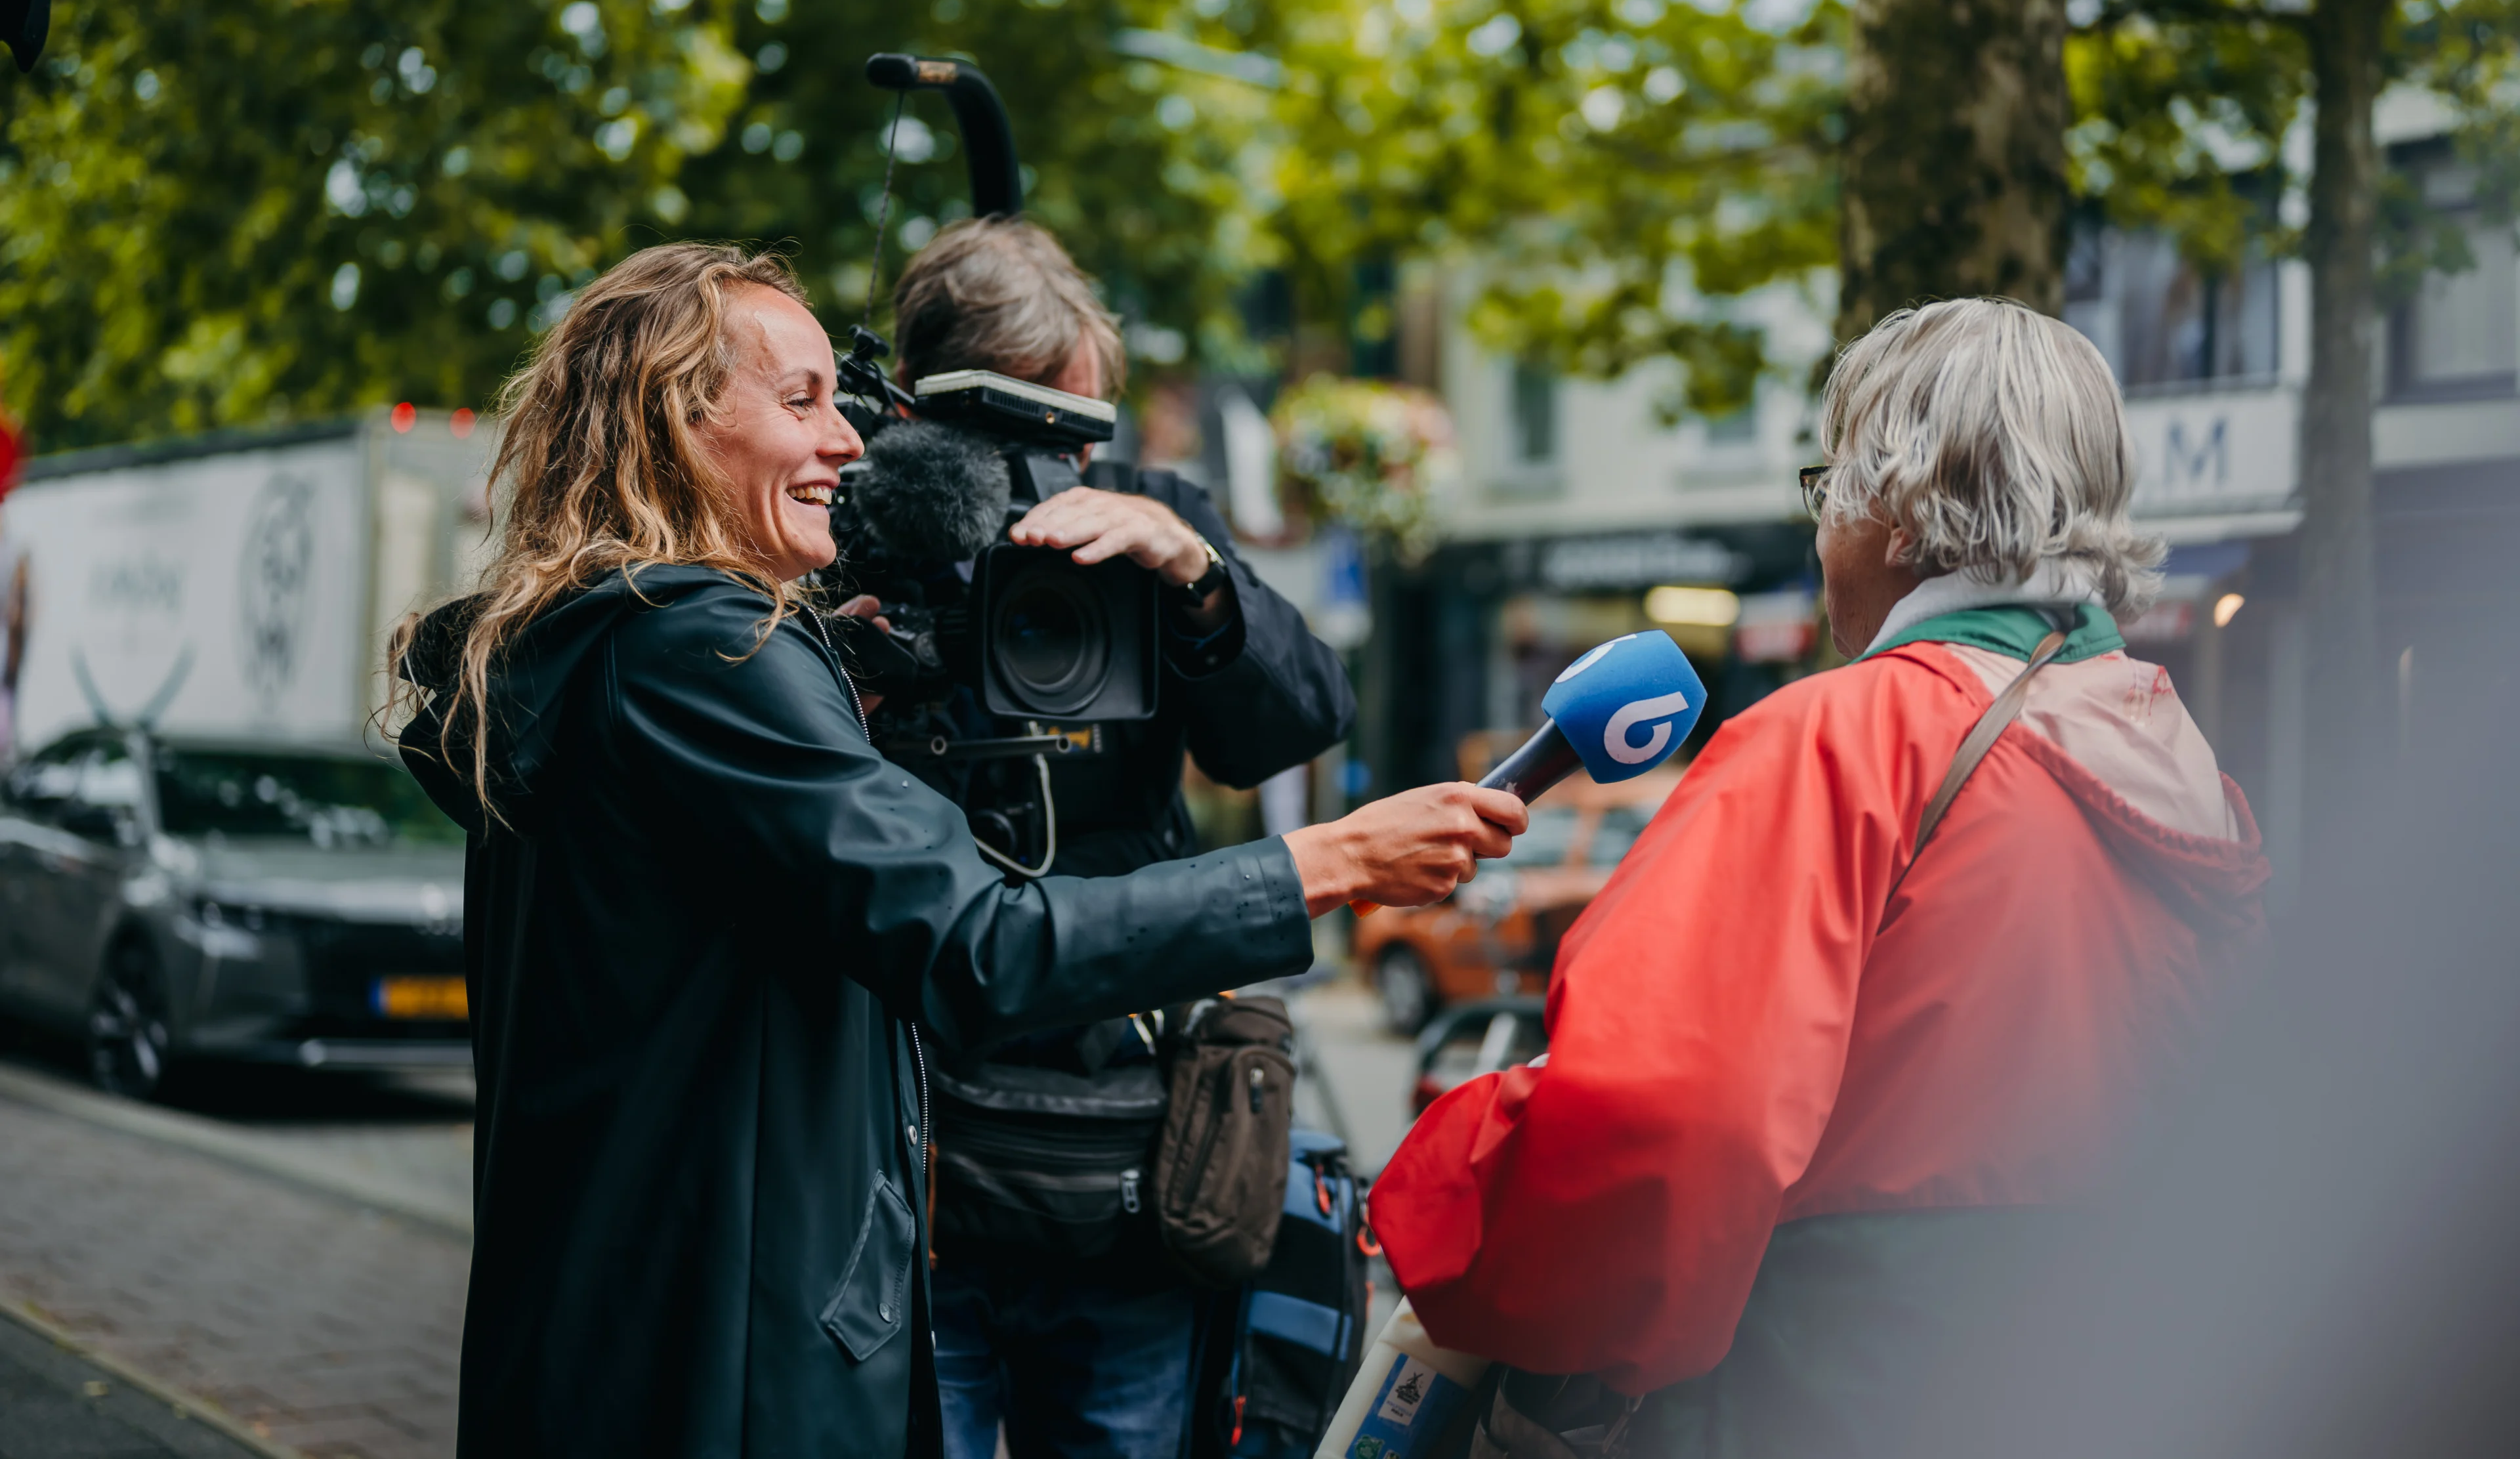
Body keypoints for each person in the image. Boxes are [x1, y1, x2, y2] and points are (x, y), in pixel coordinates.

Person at [388, 242, 1526, 1459]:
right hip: (722, 1359)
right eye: (802, 401)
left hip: (633, 1329)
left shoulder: (598, 641)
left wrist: (839, 709)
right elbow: (981, 941)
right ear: (675, 419)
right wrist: (1328, 862)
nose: (848, 445)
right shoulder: (703, 647)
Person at [1369, 298, 2271, 1457]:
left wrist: (1453, 1197)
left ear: (1895, 510)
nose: (1821, 531)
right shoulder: (2189, 767)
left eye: (1828, 485)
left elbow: (1657, 1117)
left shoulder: (1840, 738)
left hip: (1833, 1382)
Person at [861, 217, 1353, 1459]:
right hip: (918, 1149)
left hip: (1133, 1155)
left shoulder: (1152, 515)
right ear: (926, 409)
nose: (1053, 473)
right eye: (1023, 434)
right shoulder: (875, 515)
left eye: (1084, 435)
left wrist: (1194, 575)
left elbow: (1293, 723)